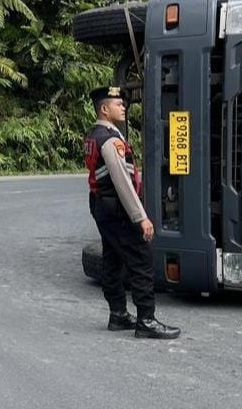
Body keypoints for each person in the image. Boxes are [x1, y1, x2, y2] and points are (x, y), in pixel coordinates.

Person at [84, 86, 180, 339]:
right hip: (117, 208)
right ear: (104, 109)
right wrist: (141, 217)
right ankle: (146, 320)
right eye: (118, 104)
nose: (123, 107)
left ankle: (118, 314)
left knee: (113, 258)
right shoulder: (110, 140)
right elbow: (123, 183)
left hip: (102, 205)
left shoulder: (94, 135)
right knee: (141, 259)